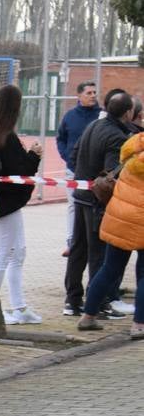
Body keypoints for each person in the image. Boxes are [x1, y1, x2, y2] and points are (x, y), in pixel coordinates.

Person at [66, 89, 134, 319]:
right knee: (98, 254)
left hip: (81, 196)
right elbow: (112, 175)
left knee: (78, 250)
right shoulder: (117, 137)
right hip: (97, 202)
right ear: (128, 113)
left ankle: (73, 300)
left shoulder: (93, 126)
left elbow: (74, 156)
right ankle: (100, 304)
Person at [78, 130, 144, 338]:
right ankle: (139, 325)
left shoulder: (133, 146)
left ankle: (88, 316)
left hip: (119, 216)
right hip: (141, 218)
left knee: (110, 268)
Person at [0, 84, 42, 325]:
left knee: (17, 252)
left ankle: (18, 305)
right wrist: (34, 155)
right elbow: (21, 171)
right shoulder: (5, 138)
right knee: (6, 252)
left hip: (8, 203)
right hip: (5, 203)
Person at [56, 81, 100, 257]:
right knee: (73, 206)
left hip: (95, 172)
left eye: (94, 92)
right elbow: (61, 138)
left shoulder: (101, 116)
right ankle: (71, 242)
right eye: (89, 93)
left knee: (95, 206)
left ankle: (94, 242)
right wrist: (66, 155)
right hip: (73, 170)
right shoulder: (69, 116)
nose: (93, 96)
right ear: (79, 96)